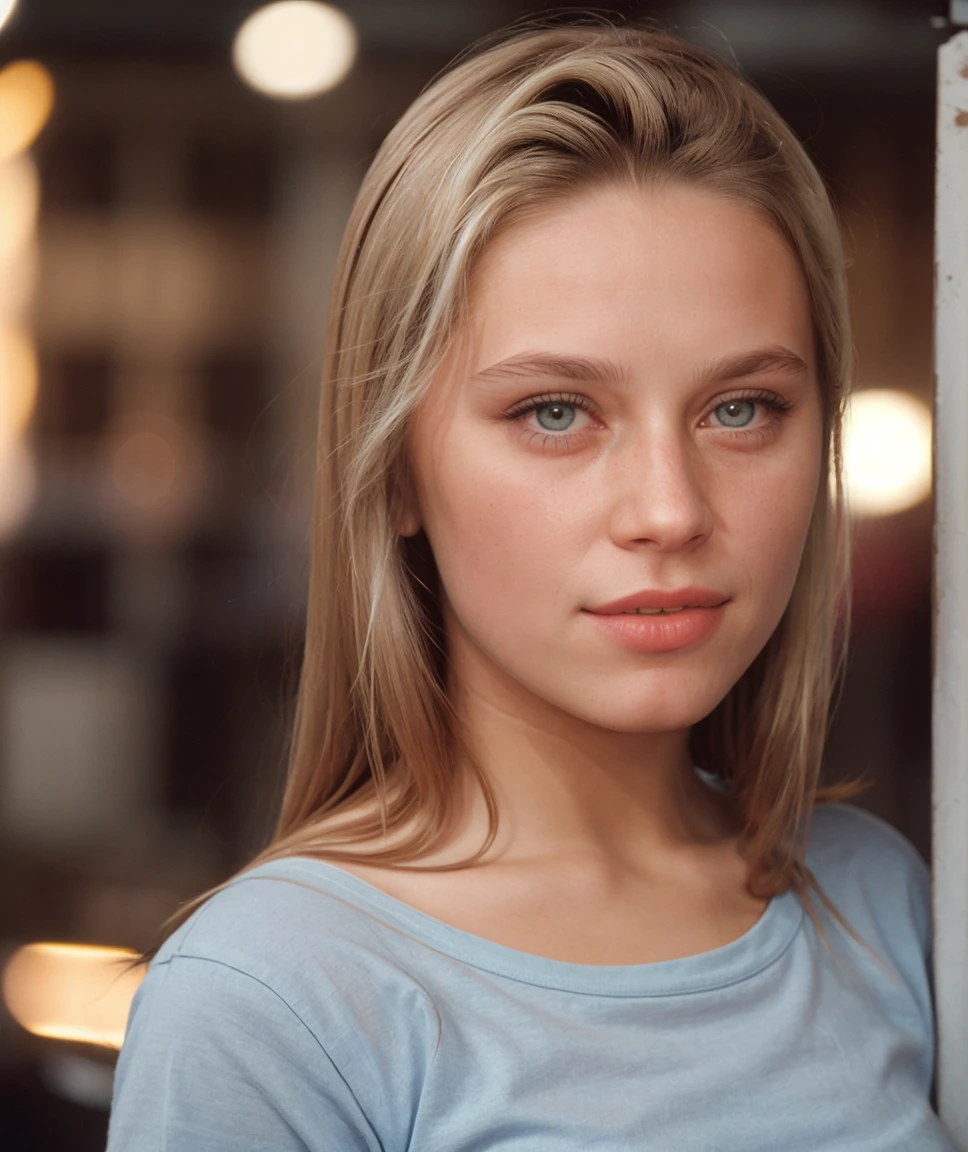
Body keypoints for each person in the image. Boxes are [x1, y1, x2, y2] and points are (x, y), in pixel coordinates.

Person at [106, 20, 954, 1151]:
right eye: (553, 412)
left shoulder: (879, 904)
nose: (669, 509)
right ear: (395, 468)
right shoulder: (273, 1003)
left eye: (739, 408)